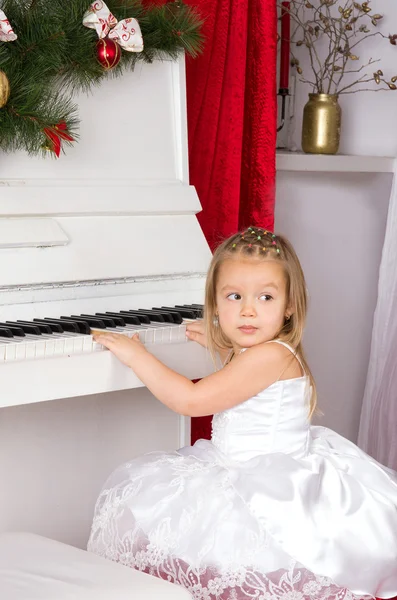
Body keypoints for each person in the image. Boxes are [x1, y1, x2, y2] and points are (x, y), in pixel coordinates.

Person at [87, 227, 397, 600]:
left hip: (267, 481)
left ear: (290, 305)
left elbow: (190, 401)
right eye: (234, 297)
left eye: (265, 297)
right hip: (237, 464)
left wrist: (138, 356)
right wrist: (226, 343)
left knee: (249, 562)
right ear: (216, 304)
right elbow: (245, 377)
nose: (248, 310)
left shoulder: (271, 355)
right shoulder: (261, 350)